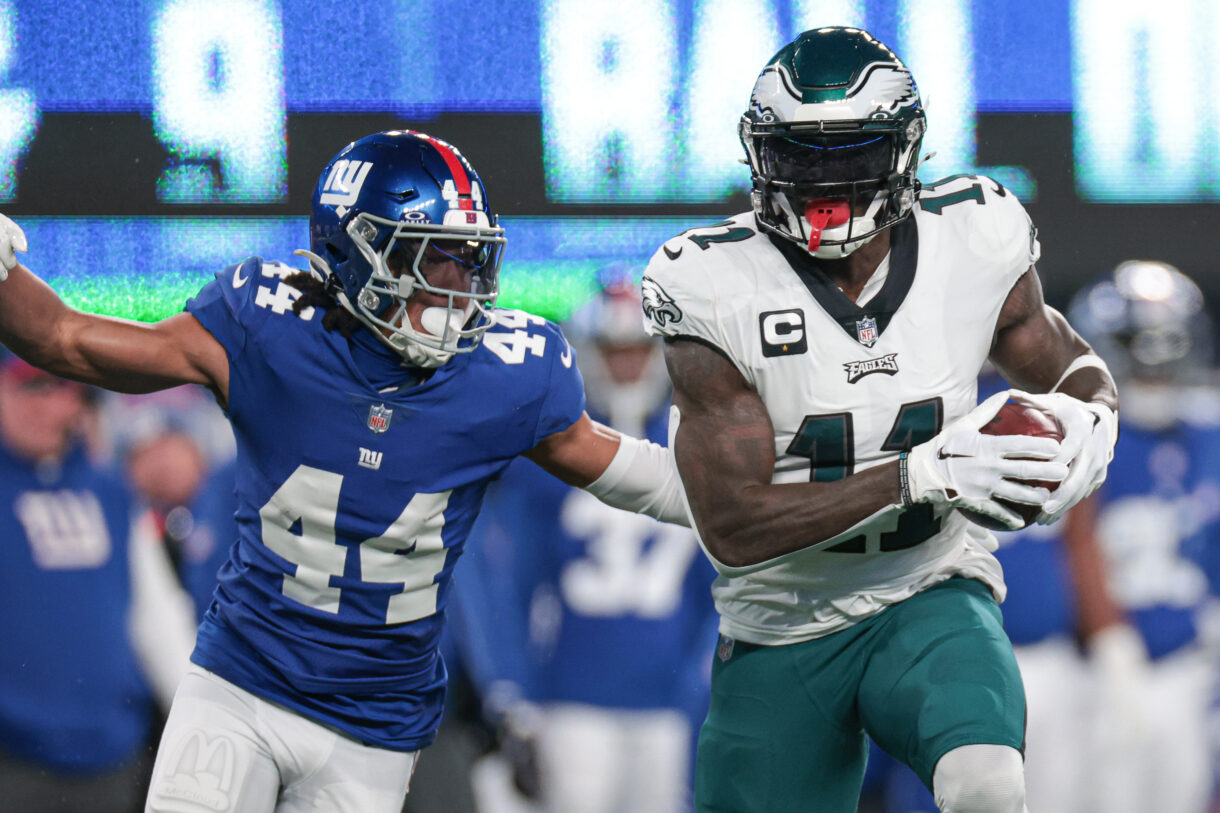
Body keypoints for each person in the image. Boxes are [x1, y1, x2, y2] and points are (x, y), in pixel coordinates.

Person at [0, 129, 689, 813]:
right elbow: (63, 338)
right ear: (354, 253)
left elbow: (644, 476)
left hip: (376, 724)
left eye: (468, 261)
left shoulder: (509, 373)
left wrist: (766, 496)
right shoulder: (266, 326)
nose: (456, 288)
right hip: (242, 684)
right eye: (430, 259)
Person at [640, 27, 1118, 813]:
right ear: (760, 156)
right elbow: (732, 524)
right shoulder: (713, 283)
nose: (824, 179)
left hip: (926, 585)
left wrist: (1096, 423)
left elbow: (1065, 363)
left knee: (987, 782)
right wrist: (922, 473)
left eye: (851, 154)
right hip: (783, 619)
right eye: (800, 155)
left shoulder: (974, 233)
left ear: (903, 152)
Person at [451, 271, 719, 813]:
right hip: (570, 693)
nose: (626, 366)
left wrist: (701, 681)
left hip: (665, 700)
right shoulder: (553, 455)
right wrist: (513, 689)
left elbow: (716, 588)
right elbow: (510, 579)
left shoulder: (695, 445)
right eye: (614, 351)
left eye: (637, 351)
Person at [0, 354, 196, 813]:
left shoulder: (111, 489)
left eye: (67, 389)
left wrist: (199, 730)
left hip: (112, 759)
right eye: (32, 387)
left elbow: (159, 620)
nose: (52, 405)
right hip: (13, 760)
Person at [1062, 260, 1219, 813]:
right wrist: (1108, 640)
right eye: (1141, 357)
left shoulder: (1206, 433)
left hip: (1187, 662)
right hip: (1097, 668)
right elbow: (1070, 546)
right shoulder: (1084, 439)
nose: (1155, 374)